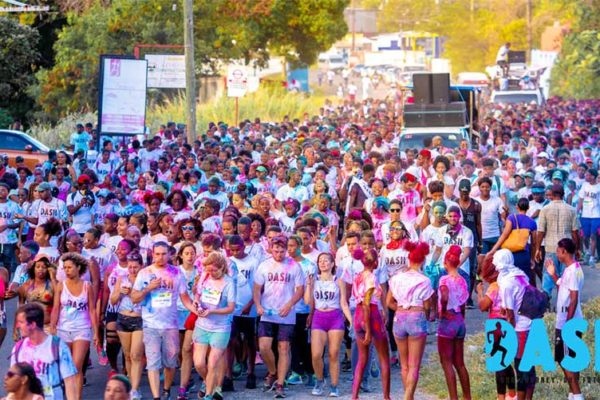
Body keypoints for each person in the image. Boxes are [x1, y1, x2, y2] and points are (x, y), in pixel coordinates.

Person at [131, 241, 197, 400]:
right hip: (150, 324)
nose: (160, 257)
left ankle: (166, 391)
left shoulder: (176, 273)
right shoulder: (144, 273)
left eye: (163, 254)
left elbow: (185, 298)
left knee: (171, 362)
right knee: (153, 363)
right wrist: (148, 288)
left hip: (171, 325)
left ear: (169, 254)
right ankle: (156, 397)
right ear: (152, 255)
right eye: (157, 254)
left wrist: (197, 311)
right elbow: (134, 298)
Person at [253, 234, 304, 398]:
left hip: (286, 313)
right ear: (271, 249)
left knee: (284, 348)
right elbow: (256, 288)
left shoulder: (294, 266)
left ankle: (280, 383)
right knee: (264, 347)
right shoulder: (264, 266)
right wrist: (258, 305)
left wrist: (290, 304)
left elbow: (300, 290)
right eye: (276, 251)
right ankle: (273, 371)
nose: (279, 254)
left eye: (282, 251)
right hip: (267, 312)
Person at [386, 241, 434, 400]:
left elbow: (389, 302)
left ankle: (409, 396)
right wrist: (425, 315)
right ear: (422, 260)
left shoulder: (396, 278)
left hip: (399, 317)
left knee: (404, 364)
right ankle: (407, 397)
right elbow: (427, 305)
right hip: (416, 316)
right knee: (414, 365)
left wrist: (401, 308)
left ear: (409, 259)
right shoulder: (424, 280)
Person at [50, 252, 99, 399]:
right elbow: (56, 308)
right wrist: (52, 327)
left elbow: (92, 310)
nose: (67, 270)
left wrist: (96, 332)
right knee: (66, 368)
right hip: (63, 329)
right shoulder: (61, 285)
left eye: (70, 267)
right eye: (64, 268)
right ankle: (69, 394)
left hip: (82, 329)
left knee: (76, 366)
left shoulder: (87, 286)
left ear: (78, 268)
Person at [304, 252, 352, 397]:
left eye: (326, 261)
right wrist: (309, 286)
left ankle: (334, 385)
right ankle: (320, 380)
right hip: (319, 317)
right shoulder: (314, 280)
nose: (323, 263)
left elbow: (343, 303)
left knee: (333, 353)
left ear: (332, 264)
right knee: (316, 354)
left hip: (335, 316)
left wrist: (351, 321)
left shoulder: (339, 281)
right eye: (320, 261)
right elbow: (307, 301)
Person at [192, 252, 236, 400]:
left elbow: (231, 308)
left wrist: (212, 311)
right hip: (202, 325)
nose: (211, 273)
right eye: (209, 270)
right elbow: (198, 295)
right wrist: (196, 302)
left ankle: (209, 394)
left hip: (220, 328)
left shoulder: (229, 283)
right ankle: (208, 382)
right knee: (199, 363)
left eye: (214, 270)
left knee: (212, 363)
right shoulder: (205, 277)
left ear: (222, 267)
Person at [12, 303, 78, 400]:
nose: (17, 326)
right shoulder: (18, 348)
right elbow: (13, 382)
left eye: (21, 322)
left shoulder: (58, 346)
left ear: (33, 324)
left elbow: (70, 382)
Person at [544, 238, 584, 400]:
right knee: (571, 359)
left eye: (558, 251)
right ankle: (572, 393)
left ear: (564, 251)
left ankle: (577, 395)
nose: (556, 254)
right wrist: (552, 274)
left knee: (564, 359)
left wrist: (567, 323)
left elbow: (573, 298)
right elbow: (563, 286)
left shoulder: (572, 271)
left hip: (568, 322)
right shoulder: (573, 268)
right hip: (572, 321)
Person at [495, 249, 536, 400]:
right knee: (528, 366)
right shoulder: (520, 274)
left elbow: (510, 314)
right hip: (530, 323)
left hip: (521, 328)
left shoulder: (507, 283)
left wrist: (508, 334)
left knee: (521, 367)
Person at [350, 247, 391, 400]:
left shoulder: (358, 276)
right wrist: (368, 329)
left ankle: (354, 395)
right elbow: (367, 303)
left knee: (362, 358)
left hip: (357, 315)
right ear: (375, 263)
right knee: (384, 358)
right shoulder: (371, 278)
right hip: (370, 315)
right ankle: (386, 396)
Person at [476, 255, 516, 400]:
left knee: (498, 364)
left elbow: (483, 306)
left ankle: (501, 397)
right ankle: (512, 393)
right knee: (506, 362)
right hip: (509, 323)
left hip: (496, 323)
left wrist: (480, 292)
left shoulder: (494, 287)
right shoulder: (509, 283)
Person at [437, 245, 471, 400]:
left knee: (446, 362)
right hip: (459, 320)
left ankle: (453, 397)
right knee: (460, 363)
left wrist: (443, 310)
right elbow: (463, 303)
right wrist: (461, 317)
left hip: (448, 321)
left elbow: (444, 295)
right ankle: (467, 396)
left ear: (445, 263)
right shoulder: (462, 280)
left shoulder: (444, 279)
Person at [535, 184, 580, 301]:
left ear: (551, 195)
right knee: (567, 277)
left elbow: (540, 232)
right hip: (567, 249)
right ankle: (565, 303)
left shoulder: (545, 209)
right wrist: (577, 249)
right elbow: (575, 232)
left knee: (548, 277)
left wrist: (538, 249)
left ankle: (546, 303)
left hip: (551, 248)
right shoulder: (571, 210)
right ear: (563, 194)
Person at [110, 252, 144, 400]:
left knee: (136, 355)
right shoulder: (122, 279)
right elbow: (113, 301)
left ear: (141, 266)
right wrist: (119, 292)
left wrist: (130, 293)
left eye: (135, 267)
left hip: (139, 319)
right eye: (130, 267)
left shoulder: (145, 280)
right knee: (128, 355)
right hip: (123, 318)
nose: (132, 270)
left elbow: (142, 299)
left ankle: (135, 389)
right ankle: (131, 385)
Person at [489, 198, 538, 281]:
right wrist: (532, 259)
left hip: (509, 254)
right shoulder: (532, 222)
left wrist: (493, 250)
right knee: (523, 280)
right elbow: (534, 244)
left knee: (509, 279)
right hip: (524, 255)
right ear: (528, 207)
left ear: (517, 207)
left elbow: (504, 235)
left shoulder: (511, 218)